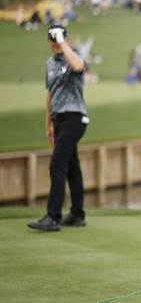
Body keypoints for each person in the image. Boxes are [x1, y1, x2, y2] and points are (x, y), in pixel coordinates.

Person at [27, 25, 88, 232]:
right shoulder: (49, 64)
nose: (55, 43)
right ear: (48, 42)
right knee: (72, 166)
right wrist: (48, 123)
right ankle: (77, 215)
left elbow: (78, 67)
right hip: (59, 120)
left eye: (59, 39)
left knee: (57, 166)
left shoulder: (75, 56)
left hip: (74, 117)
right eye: (52, 40)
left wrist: (63, 43)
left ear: (67, 40)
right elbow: (49, 94)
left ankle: (53, 217)